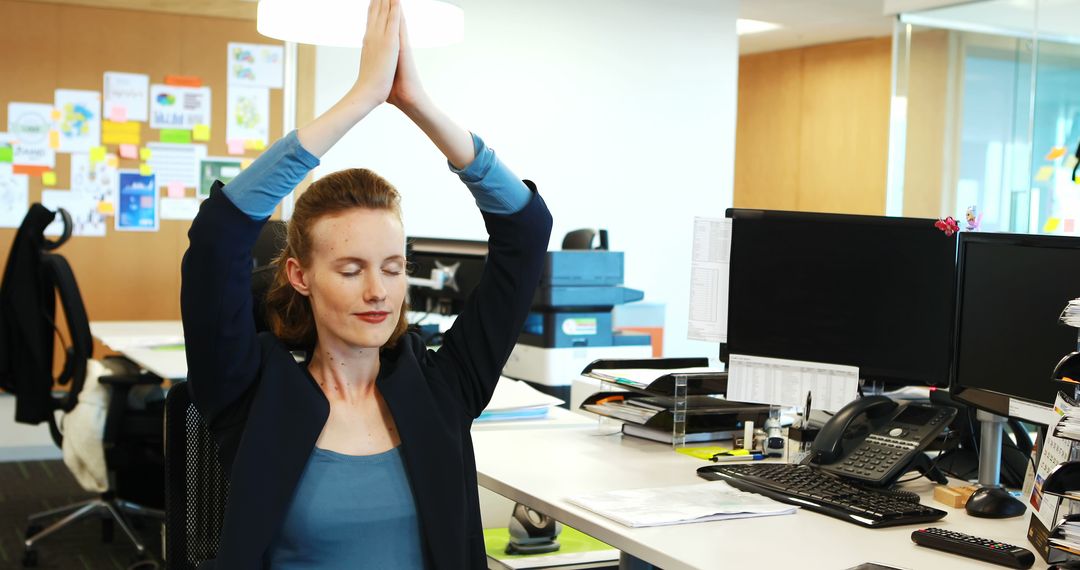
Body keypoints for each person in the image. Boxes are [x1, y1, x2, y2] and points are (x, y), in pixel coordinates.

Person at [180, 0, 552, 567]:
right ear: (300, 275)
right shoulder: (250, 391)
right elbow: (216, 242)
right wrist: (360, 100)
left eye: (394, 267)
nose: (378, 290)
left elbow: (525, 231)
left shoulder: (443, 388)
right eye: (351, 270)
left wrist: (417, 104)